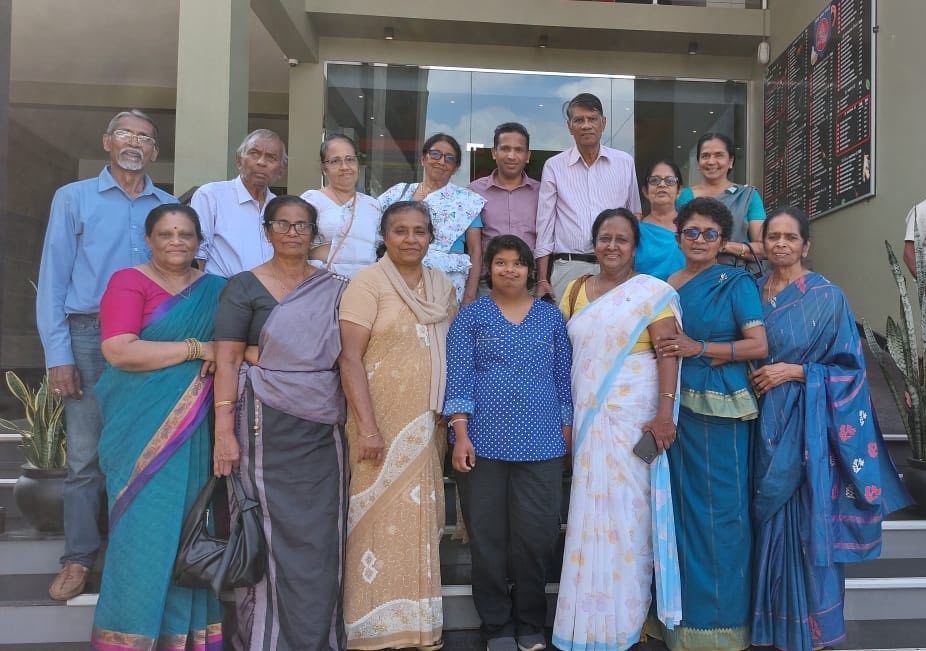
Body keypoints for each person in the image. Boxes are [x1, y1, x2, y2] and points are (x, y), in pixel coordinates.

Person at [750, 207, 911, 651]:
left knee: (806, 521)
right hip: (759, 423)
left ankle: (812, 631)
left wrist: (796, 372)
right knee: (766, 522)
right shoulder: (751, 291)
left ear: (806, 245)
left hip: (809, 430)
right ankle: (770, 626)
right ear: (763, 243)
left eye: (790, 237)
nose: (781, 244)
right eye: (773, 236)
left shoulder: (827, 297)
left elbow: (851, 371)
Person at [36, 109, 175, 601]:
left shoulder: (168, 206)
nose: (134, 143)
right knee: (84, 456)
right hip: (89, 336)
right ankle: (77, 559)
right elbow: (53, 278)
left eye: (144, 137)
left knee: (142, 451)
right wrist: (58, 354)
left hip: (151, 338)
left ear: (154, 151)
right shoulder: (73, 198)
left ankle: (129, 558)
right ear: (107, 142)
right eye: (124, 134)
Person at [212, 195, 349, 651]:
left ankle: (319, 639)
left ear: (314, 233)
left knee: (322, 533)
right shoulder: (243, 287)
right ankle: (266, 640)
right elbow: (227, 359)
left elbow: (348, 354)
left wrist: (273, 357)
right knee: (269, 529)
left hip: (323, 425)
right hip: (263, 425)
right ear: (267, 231)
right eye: (283, 224)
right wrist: (223, 433)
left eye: (302, 225)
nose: (293, 233)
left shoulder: (334, 288)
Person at [91, 204, 224, 649]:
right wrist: (197, 348)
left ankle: (184, 639)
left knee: (189, 530)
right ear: (148, 240)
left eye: (186, 234)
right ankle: (128, 636)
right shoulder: (129, 282)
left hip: (194, 430)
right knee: (141, 533)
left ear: (199, 241)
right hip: (138, 429)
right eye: (166, 234)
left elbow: (236, 348)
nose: (176, 242)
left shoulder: (215, 289)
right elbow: (120, 350)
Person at [553, 208, 682, 651]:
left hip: (636, 417)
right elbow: (566, 358)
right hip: (588, 417)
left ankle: (625, 620)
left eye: (621, 239)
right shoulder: (574, 290)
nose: (612, 246)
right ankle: (585, 621)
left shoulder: (651, 293)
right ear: (593, 244)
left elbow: (668, 353)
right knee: (588, 511)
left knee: (630, 515)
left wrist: (664, 414)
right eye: (604, 238)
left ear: (635, 246)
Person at [649, 196, 768, 651]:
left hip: (723, 411)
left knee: (722, 514)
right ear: (678, 237)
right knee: (680, 512)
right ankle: (680, 621)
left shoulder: (735, 282)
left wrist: (700, 348)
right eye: (691, 232)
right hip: (675, 406)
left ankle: (722, 627)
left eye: (710, 233)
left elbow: (758, 345)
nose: (699, 240)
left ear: (723, 241)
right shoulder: (664, 285)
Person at [444, 235, 572, 651]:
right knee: (487, 539)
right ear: (489, 269)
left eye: (518, 263)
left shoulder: (550, 317)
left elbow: (564, 379)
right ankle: (496, 625)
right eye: (501, 262)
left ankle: (531, 622)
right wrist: (460, 434)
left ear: (530, 270)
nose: (510, 269)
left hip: (542, 444)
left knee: (536, 537)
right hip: (481, 445)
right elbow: (458, 378)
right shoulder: (471, 316)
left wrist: (566, 430)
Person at [338, 201, 457, 650]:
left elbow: (451, 350)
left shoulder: (441, 285)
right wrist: (368, 426)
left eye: (419, 231)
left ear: (431, 238)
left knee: (420, 521)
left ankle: (418, 627)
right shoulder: (367, 282)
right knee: (372, 520)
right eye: (400, 231)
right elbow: (349, 358)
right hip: (377, 425)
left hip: (426, 423)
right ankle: (371, 629)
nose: (410, 239)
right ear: (384, 237)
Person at [535, 93, 642, 301]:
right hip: (568, 267)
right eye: (579, 120)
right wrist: (542, 279)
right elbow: (545, 225)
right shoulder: (554, 166)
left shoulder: (624, 163)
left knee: (616, 321)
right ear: (569, 127)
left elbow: (634, 216)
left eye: (592, 119)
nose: (586, 125)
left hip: (616, 266)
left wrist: (629, 267)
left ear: (603, 123)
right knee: (567, 322)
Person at [379, 134, 484, 304]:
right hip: (396, 277)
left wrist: (469, 297)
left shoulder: (468, 202)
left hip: (446, 283)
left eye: (449, 158)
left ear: (455, 168)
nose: (441, 161)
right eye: (435, 154)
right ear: (423, 159)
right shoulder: (398, 193)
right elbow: (375, 231)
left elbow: (475, 251)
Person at [192, 129, 287, 277]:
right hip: (223, 288)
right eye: (254, 153)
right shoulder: (211, 196)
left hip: (272, 289)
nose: (261, 162)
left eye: (271, 158)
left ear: (281, 170)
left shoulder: (280, 207)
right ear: (239, 160)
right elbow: (198, 253)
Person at [467, 123, 540, 295]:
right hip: (487, 284)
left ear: (527, 156)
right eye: (505, 148)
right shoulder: (473, 192)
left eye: (518, 150)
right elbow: (473, 248)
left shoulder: (542, 192)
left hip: (529, 285)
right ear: (494, 152)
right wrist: (470, 294)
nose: (511, 156)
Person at [676, 132, 767, 262]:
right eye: (705, 156)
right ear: (698, 163)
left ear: (730, 161)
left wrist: (724, 245)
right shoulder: (683, 197)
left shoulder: (747, 196)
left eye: (719, 155)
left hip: (738, 272)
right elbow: (676, 242)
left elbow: (764, 249)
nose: (711, 161)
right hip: (694, 271)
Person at [302, 134, 382, 278]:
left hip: (364, 285)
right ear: (324, 168)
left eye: (350, 159)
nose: (344, 167)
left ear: (358, 165)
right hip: (322, 283)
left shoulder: (372, 205)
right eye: (335, 161)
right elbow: (297, 246)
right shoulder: (311, 201)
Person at [635, 160, 685, 281]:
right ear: (645, 191)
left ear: (679, 191)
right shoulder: (635, 230)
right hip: (643, 292)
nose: (662, 185)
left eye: (670, 181)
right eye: (654, 180)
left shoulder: (692, 230)